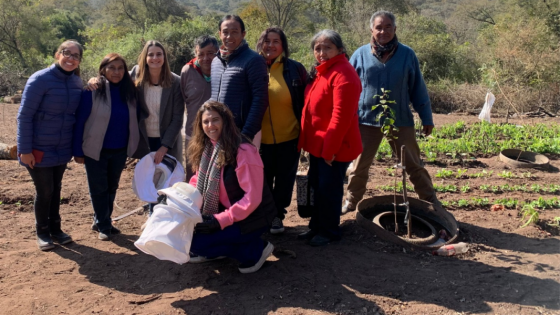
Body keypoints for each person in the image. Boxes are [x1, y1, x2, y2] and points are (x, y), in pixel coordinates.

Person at [343, 10, 439, 214]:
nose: (383, 31)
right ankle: (351, 202)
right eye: (379, 27)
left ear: (395, 29)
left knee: (413, 164)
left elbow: (418, 88)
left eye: (388, 27)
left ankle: (431, 203)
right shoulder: (360, 54)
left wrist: (426, 117)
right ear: (371, 29)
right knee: (359, 166)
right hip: (366, 121)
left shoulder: (407, 54)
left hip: (400, 120)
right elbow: (348, 86)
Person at [186, 100, 276, 274]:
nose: (210, 125)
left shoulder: (243, 150)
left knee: (196, 244)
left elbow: (252, 198)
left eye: (215, 120)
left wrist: (220, 221)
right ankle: (221, 246)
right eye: (206, 121)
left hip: (252, 218)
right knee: (185, 238)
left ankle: (256, 249)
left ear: (225, 120)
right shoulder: (207, 148)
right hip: (225, 212)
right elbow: (197, 180)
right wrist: (178, 197)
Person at [297, 30, 362, 246]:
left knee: (329, 189)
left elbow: (340, 118)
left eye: (327, 48)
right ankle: (316, 226)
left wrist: (329, 150)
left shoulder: (344, 74)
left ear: (339, 49)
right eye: (318, 48)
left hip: (335, 146)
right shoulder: (323, 71)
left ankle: (329, 231)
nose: (322, 52)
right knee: (317, 185)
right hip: (319, 145)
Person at [17, 40, 83, 250]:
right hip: (38, 148)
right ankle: (42, 232)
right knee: (44, 190)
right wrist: (25, 150)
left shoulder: (76, 83)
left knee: (56, 189)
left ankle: (56, 229)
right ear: (57, 54)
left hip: (61, 148)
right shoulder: (39, 79)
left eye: (76, 56)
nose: (71, 58)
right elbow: (24, 117)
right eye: (67, 53)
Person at [73, 53, 140, 241]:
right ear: (103, 70)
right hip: (95, 149)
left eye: (120, 68)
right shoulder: (92, 90)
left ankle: (102, 219)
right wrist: (77, 151)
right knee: (98, 188)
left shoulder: (130, 91)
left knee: (112, 187)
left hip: (119, 149)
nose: (116, 72)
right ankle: (104, 224)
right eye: (112, 68)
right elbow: (80, 122)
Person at [254, 27, 307, 234]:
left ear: (283, 45)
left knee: (284, 180)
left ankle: (278, 215)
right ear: (260, 44)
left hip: (290, 137)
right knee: (262, 180)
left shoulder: (295, 69)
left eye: (276, 41)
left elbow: (305, 103)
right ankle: (264, 215)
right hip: (259, 140)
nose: (271, 45)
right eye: (266, 41)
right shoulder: (252, 66)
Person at [210, 15, 269, 144]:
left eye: (234, 32)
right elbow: (214, 96)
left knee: (243, 165)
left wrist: (246, 134)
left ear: (243, 34)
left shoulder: (254, 60)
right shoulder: (216, 61)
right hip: (219, 132)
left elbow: (261, 99)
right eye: (225, 32)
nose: (229, 37)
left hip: (242, 133)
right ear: (220, 34)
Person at [181, 35, 219, 180]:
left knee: (217, 177)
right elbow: (184, 101)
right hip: (193, 135)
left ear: (217, 51)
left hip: (218, 134)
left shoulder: (224, 69)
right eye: (200, 54)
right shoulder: (187, 71)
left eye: (210, 53)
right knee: (193, 175)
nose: (205, 58)